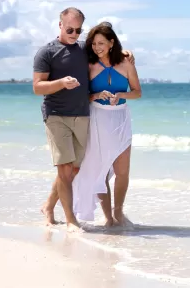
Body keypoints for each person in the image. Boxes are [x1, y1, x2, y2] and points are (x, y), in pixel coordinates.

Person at [32, 7, 135, 232]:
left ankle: (48, 205)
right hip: (56, 114)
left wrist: (124, 52)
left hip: (83, 115)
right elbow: (37, 87)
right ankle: (71, 220)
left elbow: (104, 49)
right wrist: (61, 83)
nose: (74, 34)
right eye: (70, 29)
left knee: (76, 169)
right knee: (65, 168)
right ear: (60, 25)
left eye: (78, 30)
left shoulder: (83, 49)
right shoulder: (46, 52)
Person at [71, 22, 141, 227]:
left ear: (111, 43)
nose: (97, 48)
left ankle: (118, 212)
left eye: (101, 43)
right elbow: (80, 95)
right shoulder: (89, 65)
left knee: (122, 171)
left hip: (121, 118)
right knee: (100, 169)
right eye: (94, 44)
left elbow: (137, 92)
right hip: (98, 119)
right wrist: (95, 95)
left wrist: (121, 95)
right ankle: (108, 217)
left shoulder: (126, 63)